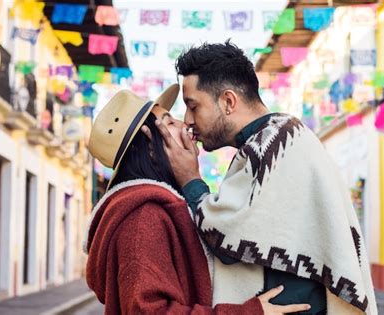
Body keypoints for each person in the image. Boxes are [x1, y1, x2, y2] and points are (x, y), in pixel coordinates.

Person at [153, 42, 378, 314]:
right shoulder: (273, 140)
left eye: (193, 106)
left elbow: (225, 236)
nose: (187, 120)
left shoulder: (277, 143)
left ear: (228, 101)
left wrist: (190, 179)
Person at [83, 85, 312, 314]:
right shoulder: (143, 217)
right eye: (170, 122)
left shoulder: (154, 209)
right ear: (151, 145)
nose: (185, 124)